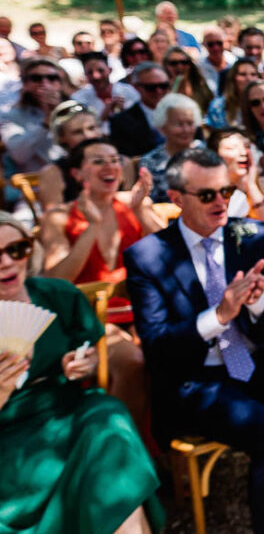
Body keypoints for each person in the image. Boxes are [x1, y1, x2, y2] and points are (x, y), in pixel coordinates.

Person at [125, 148, 264, 533]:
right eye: (207, 195)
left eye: (225, 191)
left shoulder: (251, 235)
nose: (221, 201)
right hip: (196, 379)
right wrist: (218, 316)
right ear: (176, 198)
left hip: (256, 359)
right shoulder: (147, 257)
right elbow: (156, 345)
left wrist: (260, 302)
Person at [0, 211, 163, 534]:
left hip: (65, 408)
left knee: (107, 416)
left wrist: (82, 364)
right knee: (109, 467)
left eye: (16, 250)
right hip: (10, 436)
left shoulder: (57, 295)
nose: (6, 262)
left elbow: (90, 351)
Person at [39, 138, 161, 422]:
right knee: (132, 361)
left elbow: (172, 254)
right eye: (98, 161)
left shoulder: (133, 203)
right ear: (77, 174)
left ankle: (175, 450)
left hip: (143, 313)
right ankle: (118, 449)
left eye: (115, 160)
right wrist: (91, 228)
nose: (110, 166)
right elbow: (57, 282)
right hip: (90, 319)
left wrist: (142, 210)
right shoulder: (58, 217)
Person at [207, 128, 264, 238]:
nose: (243, 153)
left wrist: (251, 186)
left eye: (246, 147)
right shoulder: (207, 191)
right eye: (232, 148)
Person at [1, 57, 65, 174]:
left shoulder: (75, 109)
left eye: (52, 78)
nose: (44, 83)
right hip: (36, 184)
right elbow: (19, 155)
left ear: (59, 84)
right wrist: (46, 122)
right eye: (36, 78)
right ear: (25, 84)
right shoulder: (10, 116)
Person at [39, 102, 105, 210]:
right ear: (62, 137)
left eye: (92, 128)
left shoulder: (122, 163)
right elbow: (53, 218)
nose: (88, 136)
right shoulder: (53, 173)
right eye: (77, 132)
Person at [139, 93, 202, 203]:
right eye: (179, 124)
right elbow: (149, 202)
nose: (186, 130)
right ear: (162, 127)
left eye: (190, 123)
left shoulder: (207, 154)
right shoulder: (150, 162)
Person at [108, 62, 170, 158]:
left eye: (163, 85)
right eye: (151, 87)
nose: (159, 91)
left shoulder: (182, 111)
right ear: (136, 87)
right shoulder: (121, 121)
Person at [71, 51, 139, 126]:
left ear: (110, 70)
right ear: (85, 75)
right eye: (90, 72)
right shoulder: (78, 99)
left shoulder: (128, 91)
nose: (96, 76)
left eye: (101, 70)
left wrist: (124, 113)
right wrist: (104, 114)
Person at [207, 57, 261, 129]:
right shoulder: (218, 105)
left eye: (253, 74)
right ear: (233, 78)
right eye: (243, 74)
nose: (249, 78)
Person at [164, 46, 214, 113]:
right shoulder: (160, 89)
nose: (180, 66)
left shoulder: (200, 85)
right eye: (174, 63)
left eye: (184, 62)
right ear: (166, 66)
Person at [198, 26, 236, 93]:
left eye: (219, 43)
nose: (215, 48)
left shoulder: (234, 62)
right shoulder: (199, 67)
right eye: (211, 44)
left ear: (224, 43)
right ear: (204, 45)